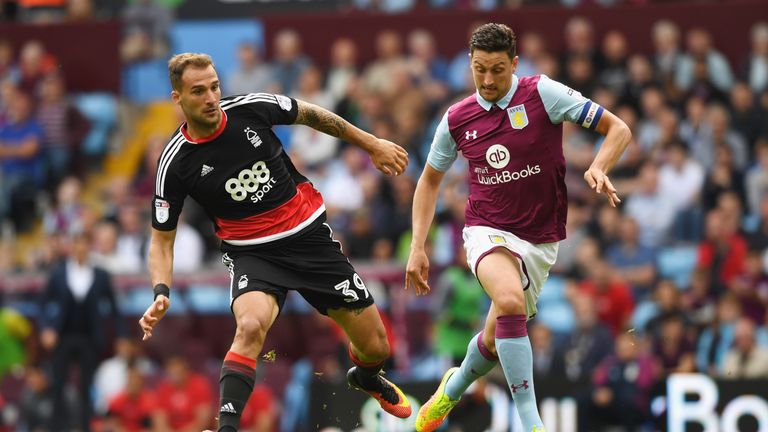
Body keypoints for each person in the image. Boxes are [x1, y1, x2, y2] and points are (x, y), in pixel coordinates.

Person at [137, 53, 410, 432]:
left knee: (377, 348)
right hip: (252, 253)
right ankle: (227, 428)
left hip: (309, 239)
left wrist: (372, 143)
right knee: (249, 327)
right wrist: (161, 289)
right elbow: (161, 241)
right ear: (177, 98)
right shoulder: (175, 162)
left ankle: (364, 377)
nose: (211, 98)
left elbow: (314, 115)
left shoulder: (252, 108)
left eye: (214, 87)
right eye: (198, 91)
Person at [405, 23, 631, 432]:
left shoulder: (543, 93)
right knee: (508, 300)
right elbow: (429, 181)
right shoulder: (457, 118)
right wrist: (418, 245)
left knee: (494, 340)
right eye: (479, 69)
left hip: (541, 241)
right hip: (485, 229)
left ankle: (452, 388)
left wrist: (599, 165)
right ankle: (532, 422)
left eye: (497, 69)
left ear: (514, 64)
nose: (488, 80)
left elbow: (619, 129)